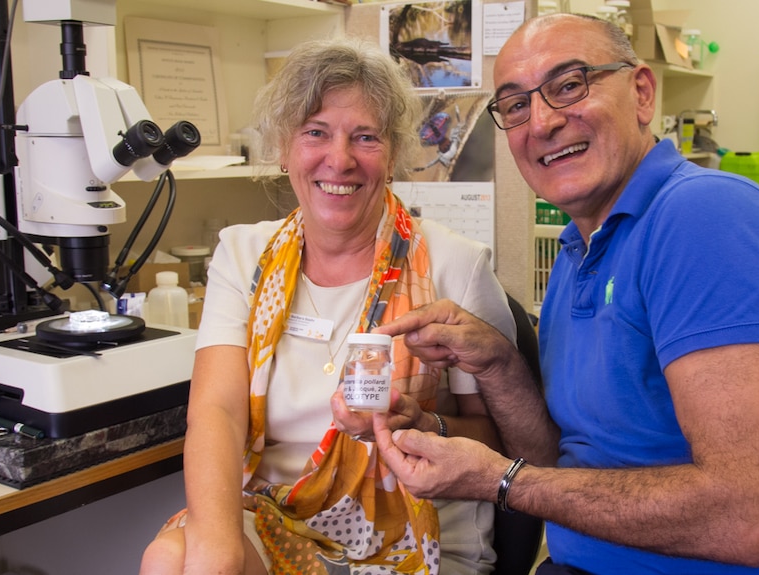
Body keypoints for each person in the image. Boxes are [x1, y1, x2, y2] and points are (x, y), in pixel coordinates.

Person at [371, 13, 759, 575]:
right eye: (516, 105)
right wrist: (498, 364)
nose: (542, 121)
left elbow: (745, 520)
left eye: (569, 85)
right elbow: (568, 468)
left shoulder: (705, 217)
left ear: (642, 93)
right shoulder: (581, 248)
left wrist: (496, 479)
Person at [139, 36, 515, 575]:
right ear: (284, 147)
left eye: (365, 137)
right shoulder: (243, 254)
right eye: (315, 133)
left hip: (411, 533)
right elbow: (216, 414)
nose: (338, 160)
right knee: (173, 558)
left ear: (393, 154)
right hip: (274, 514)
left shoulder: (455, 265)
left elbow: (499, 446)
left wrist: (425, 425)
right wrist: (219, 552)